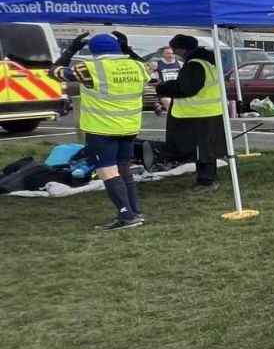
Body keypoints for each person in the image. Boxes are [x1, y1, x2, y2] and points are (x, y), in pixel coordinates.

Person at [54, 31, 147, 229]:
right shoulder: (138, 66)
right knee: (124, 169)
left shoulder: (88, 68)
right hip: (129, 127)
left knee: (107, 171)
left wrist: (71, 49)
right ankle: (135, 211)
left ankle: (126, 216)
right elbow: (147, 68)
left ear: (93, 51)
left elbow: (54, 71)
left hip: (101, 128)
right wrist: (127, 47)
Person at [157, 32, 227, 195]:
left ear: (182, 49)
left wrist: (163, 87)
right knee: (206, 148)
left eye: (175, 49)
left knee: (200, 150)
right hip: (209, 112)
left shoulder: (194, 64)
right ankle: (210, 178)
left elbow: (186, 88)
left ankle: (206, 181)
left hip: (196, 114)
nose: (174, 53)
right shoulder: (207, 62)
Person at [151, 46, 183, 114]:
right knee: (170, 105)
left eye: (172, 53)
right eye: (168, 53)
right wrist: (154, 83)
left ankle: (160, 105)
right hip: (164, 91)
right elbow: (148, 77)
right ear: (163, 54)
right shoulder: (156, 64)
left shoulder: (180, 64)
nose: (170, 55)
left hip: (177, 90)